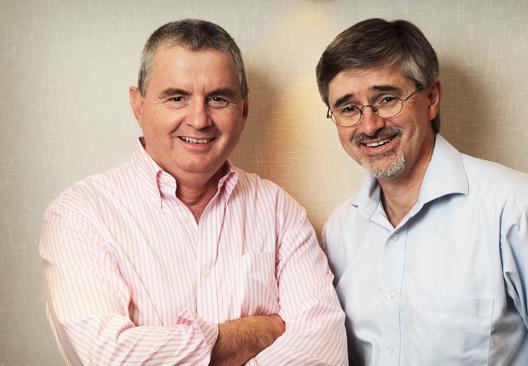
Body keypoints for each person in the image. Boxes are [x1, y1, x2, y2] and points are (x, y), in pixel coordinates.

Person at [316, 18, 528, 365]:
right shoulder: (340, 230)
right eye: (348, 108)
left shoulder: (517, 210)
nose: (370, 125)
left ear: (431, 98)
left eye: (387, 99)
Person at [39, 19, 347, 365]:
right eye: (177, 97)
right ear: (138, 106)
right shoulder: (81, 214)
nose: (199, 119)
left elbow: (325, 350)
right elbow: (109, 356)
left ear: (243, 110)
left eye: (218, 98)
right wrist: (256, 332)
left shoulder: (279, 211)